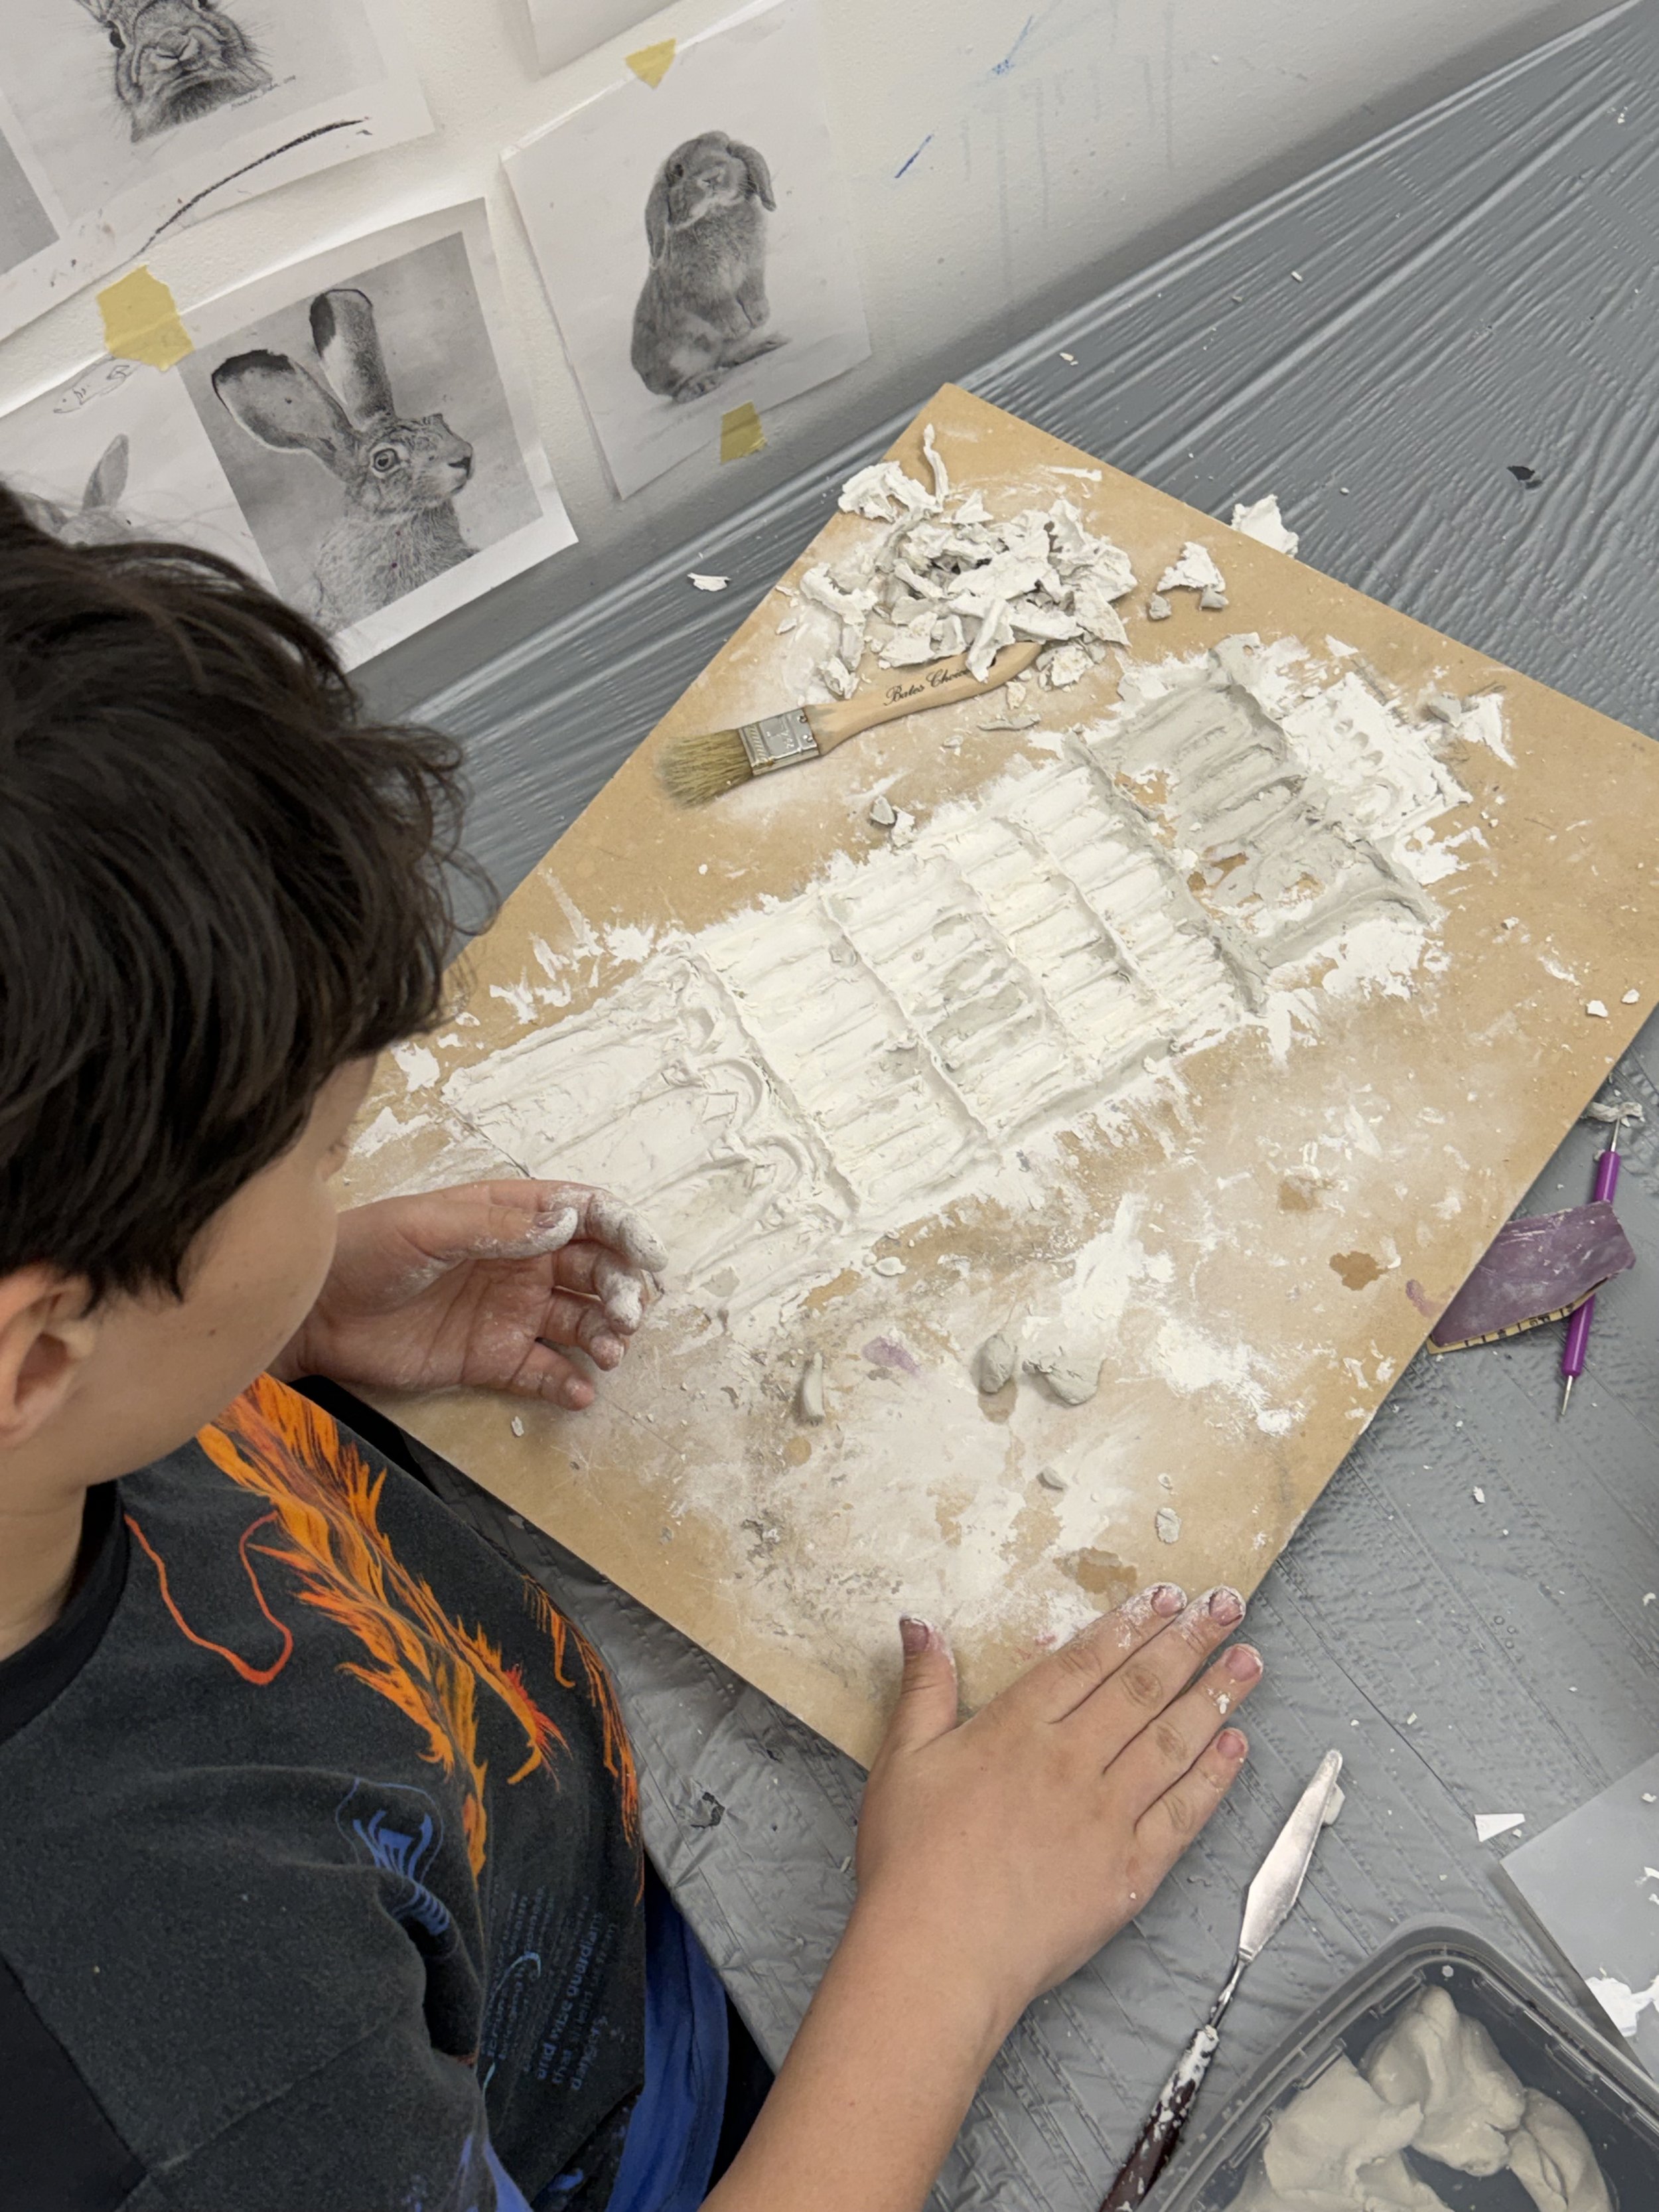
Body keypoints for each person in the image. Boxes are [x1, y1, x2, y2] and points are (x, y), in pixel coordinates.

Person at [0, 493, 1263, 2212]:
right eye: (313, 1158)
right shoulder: (196, 2088)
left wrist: (268, 1331)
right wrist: (947, 1953)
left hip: (535, 1840)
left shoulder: (59, 1399)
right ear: (30, 1351)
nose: (338, 1184)